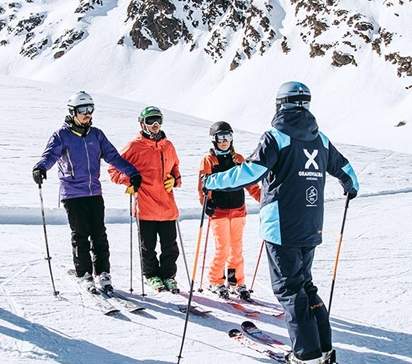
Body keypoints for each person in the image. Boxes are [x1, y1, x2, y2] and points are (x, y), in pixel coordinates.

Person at [203, 81, 358, 364]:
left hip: (281, 226)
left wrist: (212, 182)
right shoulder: (320, 139)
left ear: (280, 105)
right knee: (305, 284)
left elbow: (250, 171)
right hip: (312, 224)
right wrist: (350, 187)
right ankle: (323, 348)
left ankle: (307, 355)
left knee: (289, 289)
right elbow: (346, 169)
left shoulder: (276, 137)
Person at [33, 92, 140, 293]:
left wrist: (132, 172)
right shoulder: (61, 136)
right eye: (83, 110)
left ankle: (103, 273)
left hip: (94, 192)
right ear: (73, 112)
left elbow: (113, 156)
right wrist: (40, 168)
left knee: (99, 234)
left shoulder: (96, 135)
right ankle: (84, 274)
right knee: (81, 235)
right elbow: (50, 155)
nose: (87, 114)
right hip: (72, 193)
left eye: (90, 109)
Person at [110, 106, 182, 293]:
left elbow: (175, 168)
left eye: (158, 119)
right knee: (148, 247)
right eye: (150, 120)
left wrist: (175, 179)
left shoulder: (168, 146)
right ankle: (152, 275)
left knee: (170, 246)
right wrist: (130, 180)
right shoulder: (134, 146)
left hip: (167, 207)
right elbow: (113, 169)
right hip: (145, 206)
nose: (155, 124)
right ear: (142, 123)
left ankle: (169, 276)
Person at [197, 121, 261, 301]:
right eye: (221, 137)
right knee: (222, 249)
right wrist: (206, 203)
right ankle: (215, 280)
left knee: (236, 249)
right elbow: (203, 186)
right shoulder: (209, 160)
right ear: (214, 140)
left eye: (228, 137)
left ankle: (235, 282)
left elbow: (251, 184)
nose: (224, 141)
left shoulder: (238, 159)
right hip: (219, 212)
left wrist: (264, 198)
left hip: (238, 210)